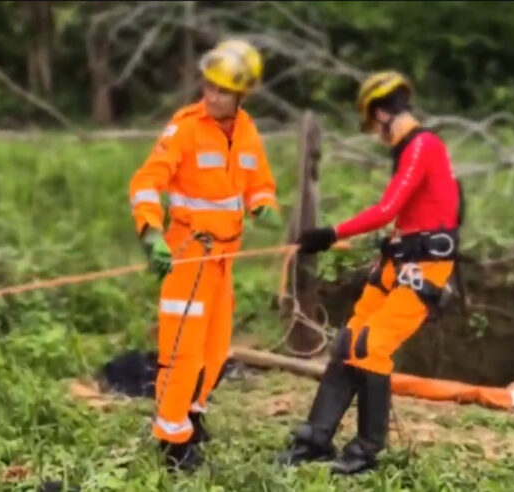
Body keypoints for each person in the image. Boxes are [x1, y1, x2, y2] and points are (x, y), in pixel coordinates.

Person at [277, 70, 464, 475]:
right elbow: (410, 217)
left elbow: (387, 209)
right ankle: (316, 438)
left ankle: (366, 450)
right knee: (350, 341)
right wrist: (387, 253)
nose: (377, 135)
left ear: (380, 112)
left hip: (424, 267)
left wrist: (329, 233)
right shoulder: (411, 151)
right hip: (397, 262)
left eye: (373, 126)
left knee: (373, 346)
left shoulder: (422, 145)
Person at [129, 39, 282, 471]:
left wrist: (264, 204)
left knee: (215, 350)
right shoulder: (184, 128)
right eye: (208, 86)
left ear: (242, 95)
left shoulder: (247, 130)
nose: (211, 96)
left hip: (223, 261)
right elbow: (145, 181)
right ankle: (171, 439)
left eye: (222, 90)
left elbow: (259, 182)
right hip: (188, 256)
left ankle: (192, 415)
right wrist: (150, 231)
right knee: (182, 351)